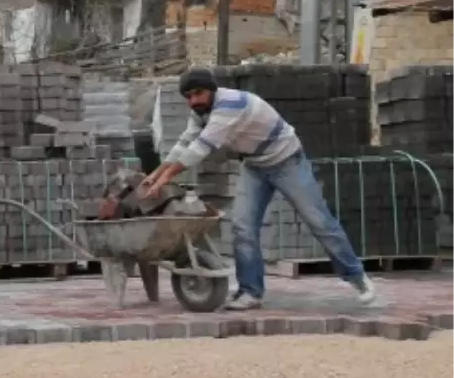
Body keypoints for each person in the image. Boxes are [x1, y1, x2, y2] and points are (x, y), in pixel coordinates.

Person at [141, 68, 376, 311]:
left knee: (318, 221)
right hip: (255, 165)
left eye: (198, 94)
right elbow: (184, 143)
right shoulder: (201, 112)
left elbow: (200, 148)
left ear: (212, 90)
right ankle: (251, 291)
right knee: (242, 226)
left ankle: (358, 278)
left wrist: (166, 177)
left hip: (287, 162)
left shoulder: (230, 105)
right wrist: (155, 175)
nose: (194, 101)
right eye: (188, 97)